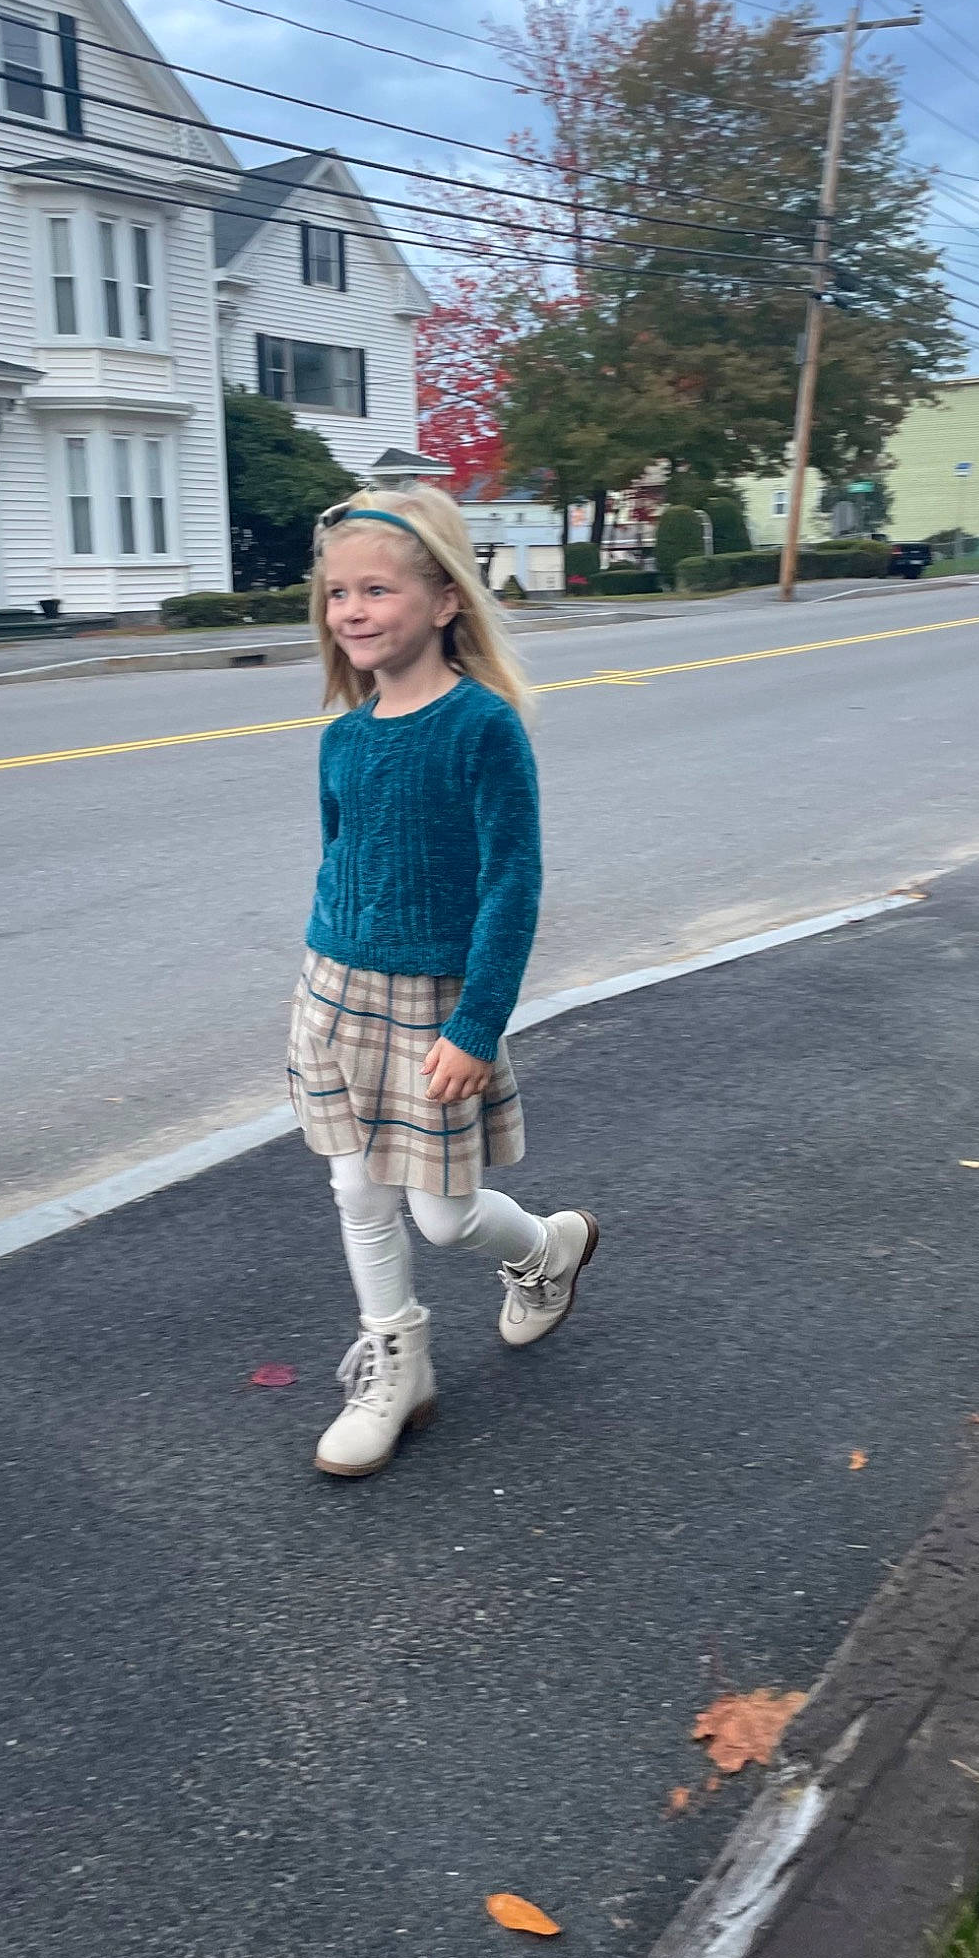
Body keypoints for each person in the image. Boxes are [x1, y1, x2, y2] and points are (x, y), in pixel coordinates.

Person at [287, 486, 599, 1478]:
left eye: (377, 589)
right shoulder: (343, 736)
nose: (352, 610)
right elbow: (342, 858)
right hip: (335, 990)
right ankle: (398, 1364)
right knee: (355, 1187)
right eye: (338, 592)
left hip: (436, 1006)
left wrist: (476, 1022)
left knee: (444, 1214)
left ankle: (546, 1250)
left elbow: (512, 881)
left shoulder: (482, 728)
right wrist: (325, 982)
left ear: (446, 599)